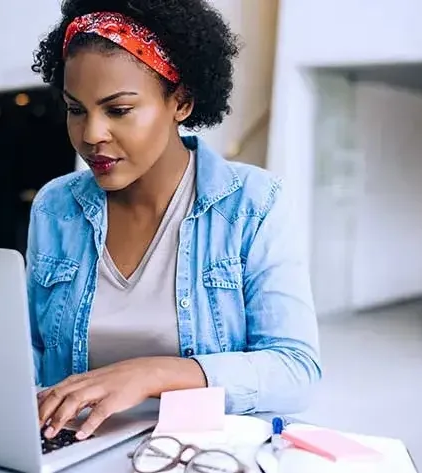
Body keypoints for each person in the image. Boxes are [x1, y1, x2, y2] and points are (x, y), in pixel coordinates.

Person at [28, 0, 321, 441]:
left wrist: (152, 374)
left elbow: (297, 371)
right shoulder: (56, 207)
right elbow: (30, 351)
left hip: (200, 453)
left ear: (180, 101)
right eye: (76, 109)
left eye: (118, 110)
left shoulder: (253, 205)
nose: (91, 134)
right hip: (75, 449)